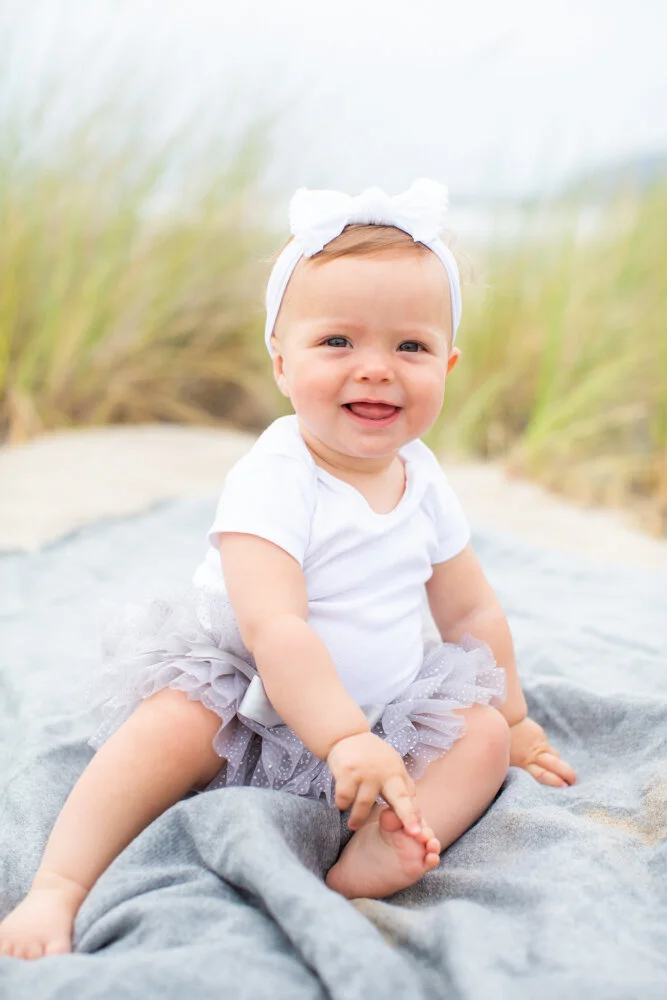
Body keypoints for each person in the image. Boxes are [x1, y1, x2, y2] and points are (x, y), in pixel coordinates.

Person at [0, 178, 577, 961]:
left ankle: (376, 850)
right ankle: (58, 885)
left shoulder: (422, 474)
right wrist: (341, 738)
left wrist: (510, 718)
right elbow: (275, 627)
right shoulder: (276, 475)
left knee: (475, 742)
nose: (375, 369)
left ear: (447, 362)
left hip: (380, 706)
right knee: (167, 727)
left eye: (408, 347)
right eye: (337, 342)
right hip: (251, 697)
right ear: (280, 361)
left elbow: (469, 611)